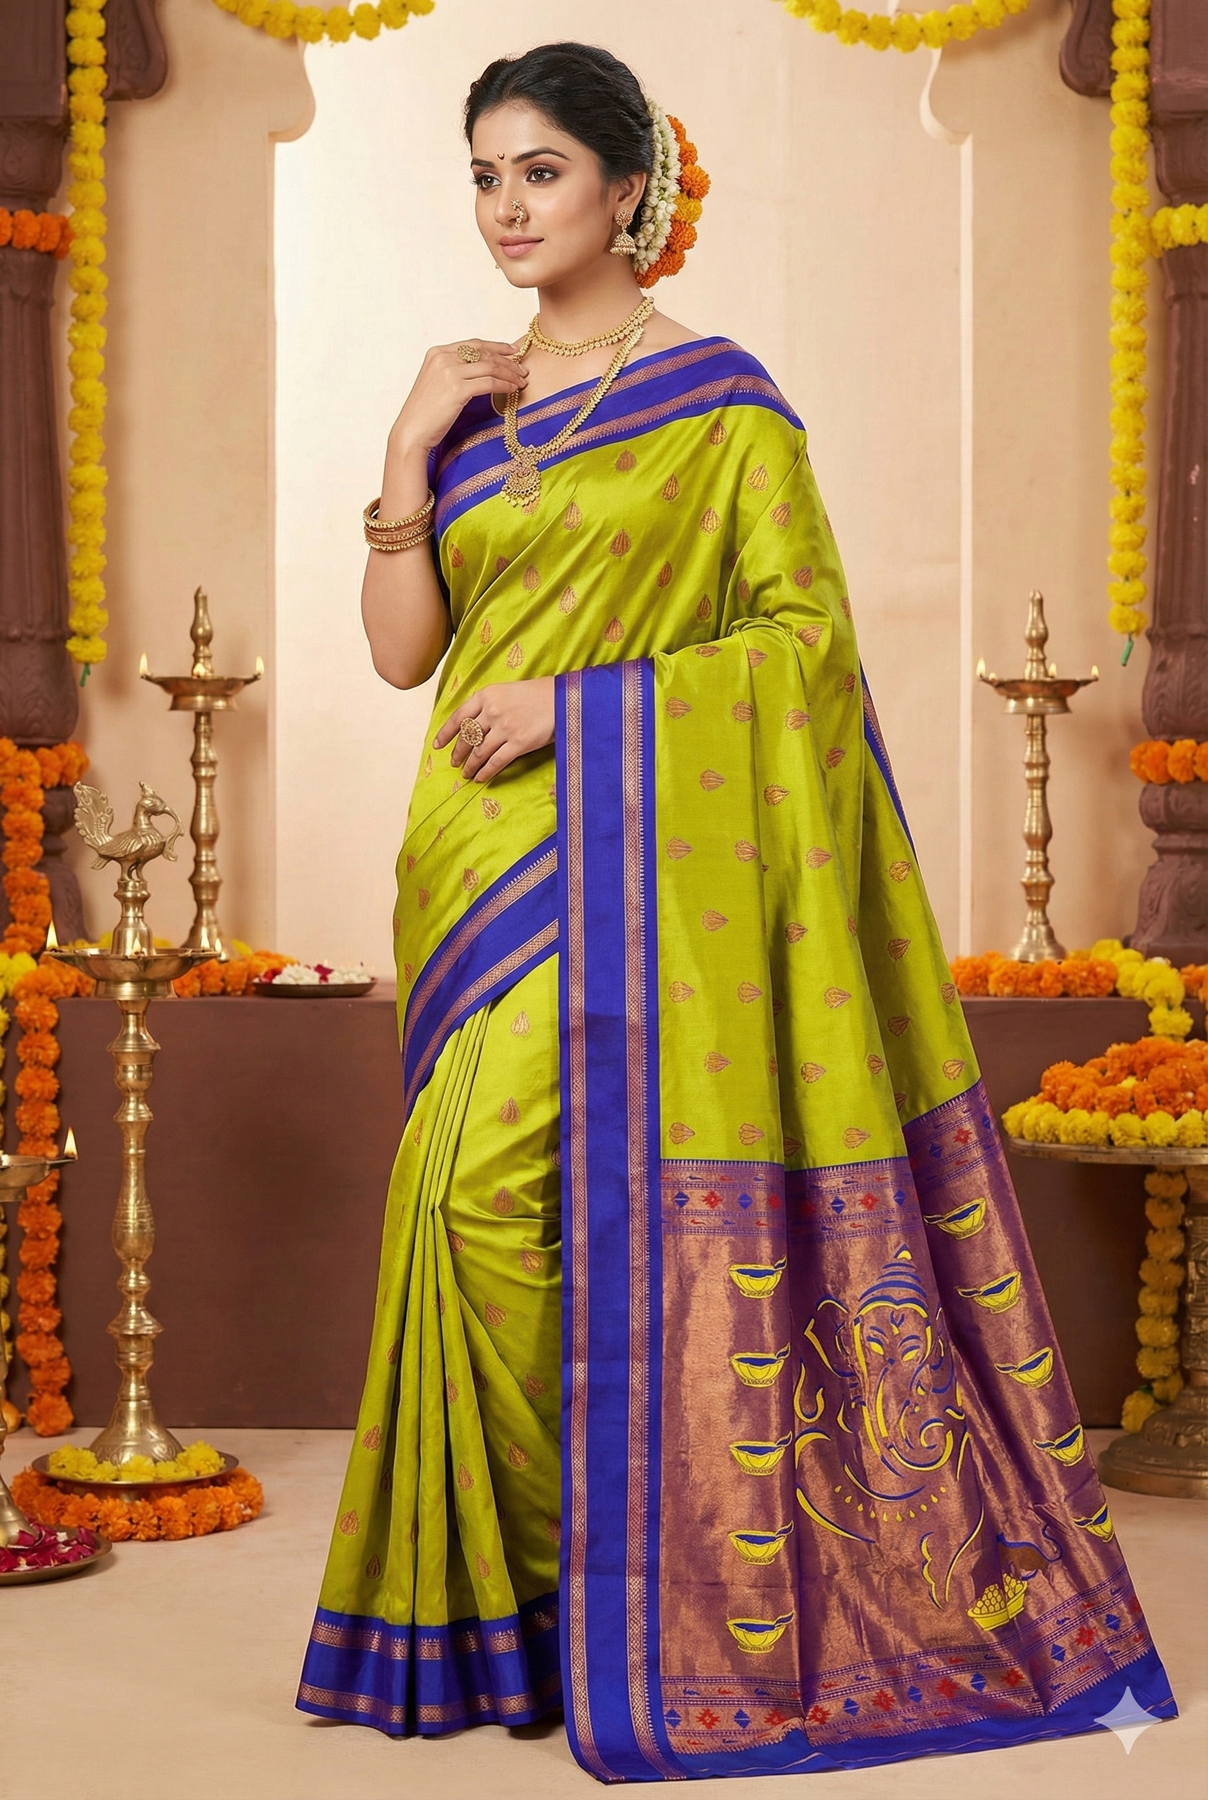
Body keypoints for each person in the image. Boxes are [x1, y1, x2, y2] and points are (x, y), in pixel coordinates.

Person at [297, 41, 1174, 1780]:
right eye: (483, 177)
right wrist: (405, 449)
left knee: (505, 1204)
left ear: (629, 186)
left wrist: (583, 708)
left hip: (637, 856)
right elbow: (404, 656)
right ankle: (550, 1613)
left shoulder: (723, 403)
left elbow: (802, 646)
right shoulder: (464, 400)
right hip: (473, 864)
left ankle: (635, 1596)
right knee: (463, 1210)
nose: (505, 210)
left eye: (540, 172)